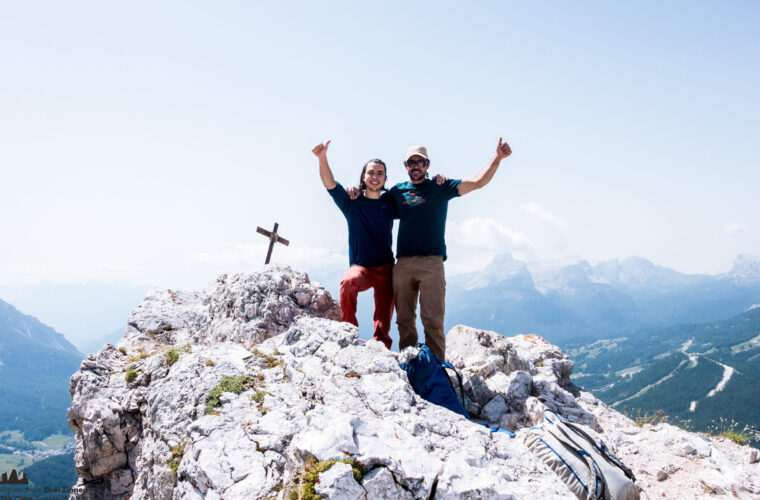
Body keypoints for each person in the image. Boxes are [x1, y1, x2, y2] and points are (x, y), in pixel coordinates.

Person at [386, 138, 512, 361]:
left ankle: (437, 369)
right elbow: (374, 203)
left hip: (432, 264)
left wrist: (497, 158)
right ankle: (409, 364)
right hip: (403, 264)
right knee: (404, 319)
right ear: (405, 166)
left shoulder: (440, 187)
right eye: (411, 162)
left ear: (428, 165)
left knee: (433, 320)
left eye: (420, 162)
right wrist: (356, 190)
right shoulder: (397, 192)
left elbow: (477, 182)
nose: (416, 166)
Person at [312, 140, 395, 349]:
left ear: (385, 178)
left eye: (380, 173)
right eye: (371, 173)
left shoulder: (390, 204)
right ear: (363, 177)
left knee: (385, 306)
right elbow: (330, 184)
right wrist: (322, 158)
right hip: (362, 268)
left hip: (386, 267)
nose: (375, 177)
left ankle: (381, 344)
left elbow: (415, 203)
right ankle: (348, 333)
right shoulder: (352, 202)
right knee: (348, 282)